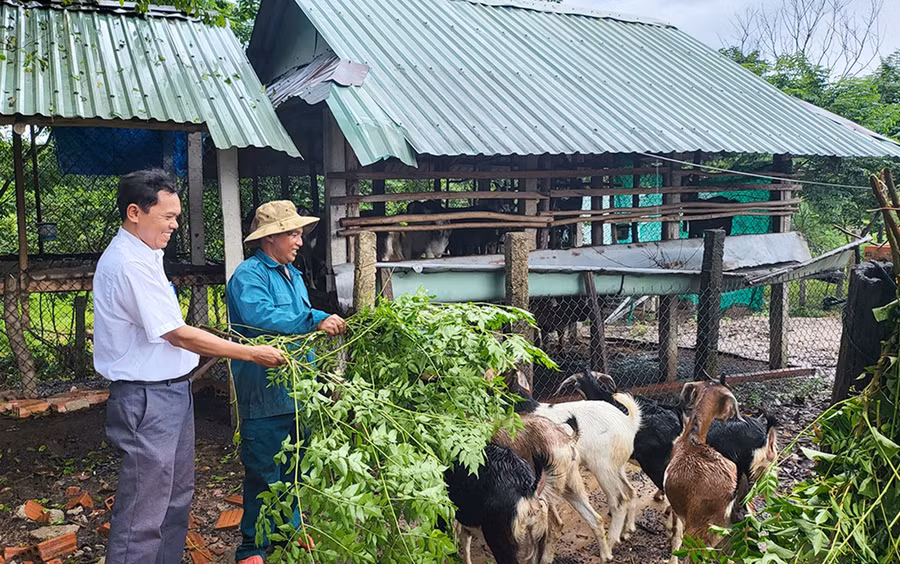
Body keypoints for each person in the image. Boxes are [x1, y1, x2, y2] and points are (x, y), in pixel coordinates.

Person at [93, 169, 287, 564]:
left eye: (177, 216)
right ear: (134, 212)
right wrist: (249, 352)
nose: (175, 225)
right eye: (167, 217)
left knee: (176, 497)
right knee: (145, 508)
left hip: (171, 392)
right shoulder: (127, 264)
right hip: (146, 398)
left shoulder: (146, 256)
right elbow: (177, 334)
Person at [225, 200, 347, 564]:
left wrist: (322, 322)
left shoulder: (291, 275)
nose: (299, 240)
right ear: (271, 238)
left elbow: (297, 318)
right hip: (264, 393)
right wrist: (315, 319)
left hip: (297, 391)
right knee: (264, 472)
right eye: (293, 233)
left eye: (298, 233)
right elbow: (263, 317)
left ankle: (288, 530)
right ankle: (252, 548)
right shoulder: (248, 276)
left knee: (294, 470)